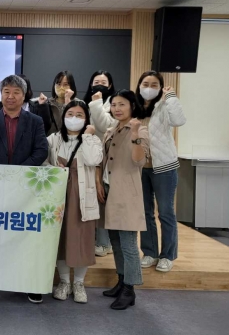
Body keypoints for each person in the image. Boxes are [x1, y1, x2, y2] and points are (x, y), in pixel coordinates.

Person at [0, 74, 49, 303]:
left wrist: (20, 173)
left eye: (16, 92)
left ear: (24, 95)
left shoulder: (35, 121)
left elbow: (41, 151)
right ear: (0, 94)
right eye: (6, 91)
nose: (11, 96)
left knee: (24, 236)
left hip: (24, 187)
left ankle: (29, 282)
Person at [47, 100, 102, 304]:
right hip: (58, 195)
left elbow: (93, 160)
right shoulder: (53, 139)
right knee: (61, 239)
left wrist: (87, 136)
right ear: (63, 117)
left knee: (82, 239)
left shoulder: (93, 140)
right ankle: (64, 282)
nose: (74, 118)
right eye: (70, 114)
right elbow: (43, 161)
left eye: (79, 115)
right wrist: (53, 169)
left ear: (86, 119)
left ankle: (79, 282)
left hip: (83, 196)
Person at [101, 90, 149, 310]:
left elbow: (139, 161)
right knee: (116, 242)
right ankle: (121, 281)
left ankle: (130, 289)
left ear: (132, 106)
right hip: (110, 191)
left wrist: (136, 134)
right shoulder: (111, 130)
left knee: (128, 244)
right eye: (113, 105)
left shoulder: (140, 129)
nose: (117, 109)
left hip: (127, 193)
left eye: (122, 104)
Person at [136, 71, 186, 273]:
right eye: (145, 84)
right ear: (139, 86)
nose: (149, 88)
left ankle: (167, 255)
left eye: (154, 84)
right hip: (140, 168)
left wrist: (171, 97)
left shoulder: (165, 106)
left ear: (160, 87)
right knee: (145, 212)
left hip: (164, 167)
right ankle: (150, 252)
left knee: (165, 212)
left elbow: (179, 120)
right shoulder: (134, 107)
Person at [85, 70, 116, 258]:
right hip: (87, 155)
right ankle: (98, 240)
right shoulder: (86, 102)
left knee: (102, 199)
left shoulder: (113, 103)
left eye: (103, 82)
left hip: (105, 158)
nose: (99, 85)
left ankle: (104, 243)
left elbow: (105, 126)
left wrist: (97, 103)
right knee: (91, 199)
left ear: (110, 85)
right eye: (96, 81)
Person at [44, 71, 77, 136]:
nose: (61, 87)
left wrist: (67, 102)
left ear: (71, 86)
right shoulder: (48, 103)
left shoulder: (78, 104)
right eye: (58, 84)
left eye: (65, 84)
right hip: (51, 140)